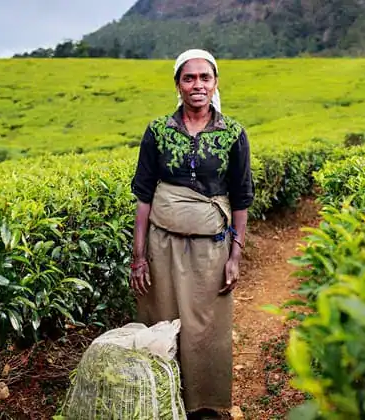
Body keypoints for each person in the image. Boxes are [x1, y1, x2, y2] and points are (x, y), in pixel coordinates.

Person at [129, 48, 254, 419]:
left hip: (211, 246)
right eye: (189, 78)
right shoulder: (157, 131)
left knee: (207, 326)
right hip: (162, 243)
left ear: (215, 83)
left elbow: (242, 197)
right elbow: (144, 194)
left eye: (205, 77)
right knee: (163, 319)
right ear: (178, 85)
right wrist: (138, 257)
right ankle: (164, 400)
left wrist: (236, 254)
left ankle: (205, 405)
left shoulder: (232, 133)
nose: (197, 84)